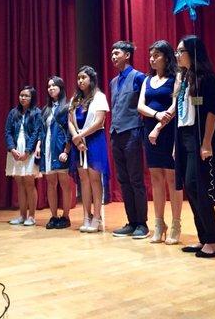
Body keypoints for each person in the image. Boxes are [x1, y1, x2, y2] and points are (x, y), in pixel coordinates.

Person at [174, 35, 215, 258]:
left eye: (180, 51)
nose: (177, 55)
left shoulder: (207, 79)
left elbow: (212, 112)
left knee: (199, 186)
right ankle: (203, 237)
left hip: (200, 139)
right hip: (184, 136)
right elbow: (183, 112)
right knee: (189, 185)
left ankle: (214, 240)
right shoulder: (185, 78)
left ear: (193, 53)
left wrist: (206, 143)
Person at [137, 40, 182, 244]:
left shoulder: (176, 76)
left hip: (169, 130)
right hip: (150, 130)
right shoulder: (147, 80)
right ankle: (158, 223)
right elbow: (140, 106)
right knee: (155, 177)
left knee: (172, 178)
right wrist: (156, 116)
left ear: (166, 56)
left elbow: (175, 105)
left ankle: (175, 224)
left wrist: (159, 125)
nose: (152, 59)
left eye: (156, 55)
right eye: (150, 55)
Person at [109, 41, 150, 239]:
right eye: (112, 54)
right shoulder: (113, 82)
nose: (113, 56)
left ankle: (142, 223)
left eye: (117, 53)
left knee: (135, 179)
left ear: (127, 55)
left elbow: (146, 103)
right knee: (123, 180)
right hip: (116, 134)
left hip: (132, 132)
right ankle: (131, 221)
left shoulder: (139, 77)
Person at [69, 66, 110, 233]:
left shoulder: (100, 97)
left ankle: (98, 217)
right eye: (78, 78)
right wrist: (76, 138)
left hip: (94, 140)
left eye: (84, 77)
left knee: (94, 179)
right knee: (83, 180)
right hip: (78, 142)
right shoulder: (74, 99)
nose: (80, 81)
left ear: (91, 79)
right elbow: (70, 121)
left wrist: (80, 135)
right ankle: (86, 216)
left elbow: (99, 122)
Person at [36, 76, 73, 229]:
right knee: (51, 183)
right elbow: (41, 130)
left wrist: (66, 150)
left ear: (61, 87)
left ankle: (65, 216)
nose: (51, 88)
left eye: (54, 85)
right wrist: (38, 146)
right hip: (47, 149)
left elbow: (71, 130)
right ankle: (53, 216)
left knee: (64, 184)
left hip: (60, 148)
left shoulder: (67, 106)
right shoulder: (45, 109)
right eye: (49, 86)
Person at [5, 86, 42, 226]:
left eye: (26, 96)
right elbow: (7, 131)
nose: (23, 98)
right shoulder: (13, 113)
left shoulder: (37, 113)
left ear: (32, 98)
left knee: (29, 183)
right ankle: (22, 215)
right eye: (21, 95)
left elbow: (36, 133)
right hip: (15, 150)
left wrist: (27, 151)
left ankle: (31, 216)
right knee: (19, 184)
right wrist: (12, 149)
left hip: (29, 151)